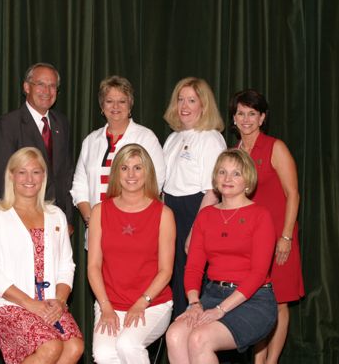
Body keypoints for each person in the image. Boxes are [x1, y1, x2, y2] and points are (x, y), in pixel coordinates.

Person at [166, 149, 277, 364]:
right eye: (222, 172)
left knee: (199, 339)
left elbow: (258, 273)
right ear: (215, 177)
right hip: (212, 295)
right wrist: (194, 303)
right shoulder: (206, 215)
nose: (228, 179)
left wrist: (220, 310)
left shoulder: (260, 215)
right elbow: (194, 268)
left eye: (236, 173)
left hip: (253, 300)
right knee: (175, 335)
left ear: (248, 180)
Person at [0, 147, 83, 364]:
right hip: (9, 305)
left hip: (51, 303)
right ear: (11, 176)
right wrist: (30, 303)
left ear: (44, 176)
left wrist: (60, 301)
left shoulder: (56, 216)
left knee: (74, 346)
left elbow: (66, 265)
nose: (29, 179)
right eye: (22, 172)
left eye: (36, 172)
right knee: (50, 346)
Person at [230, 89, 305, 364]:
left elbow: (293, 194)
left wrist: (286, 236)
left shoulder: (276, 147)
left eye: (252, 113)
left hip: (278, 238)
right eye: (241, 113)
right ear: (234, 118)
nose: (246, 119)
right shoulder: (233, 153)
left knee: (279, 301)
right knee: (255, 302)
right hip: (247, 242)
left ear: (262, 118)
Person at [87, 143, 175, 364]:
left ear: (148, 173)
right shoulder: (99, 211)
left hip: (152, 303)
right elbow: (93, 266)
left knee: (128, 345)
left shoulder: (164, 214)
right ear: (116, 173)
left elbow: (166, 271)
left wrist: (142, 302)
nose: (131, 174)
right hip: (110, 303)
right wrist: (106, 306)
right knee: (104, 354)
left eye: (138, 168)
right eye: (124, 168)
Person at [70, 76, 166, 247]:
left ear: (130, 105)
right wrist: (91, 220)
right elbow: (79, 186)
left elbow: (155, 182)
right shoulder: (91, 141)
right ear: (102, 106)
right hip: (97, 231)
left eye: (121, 101)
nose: (115, 107)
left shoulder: (146, 138)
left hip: (135, 228)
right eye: (109, 101)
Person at [162, 77, 227, 317]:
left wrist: (196, 231)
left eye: (192, 100)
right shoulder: (173, 138)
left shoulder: (210, 138)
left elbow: (213, 190)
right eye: (180, 100)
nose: (184, 106)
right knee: (176, 279)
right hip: (171, 212)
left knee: (194, 281)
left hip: (196, 211)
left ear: (204, 105)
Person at [0, 62, 74, 229]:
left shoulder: (61, 123)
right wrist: (16, 221)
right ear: (27, 87)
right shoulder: (8, 124)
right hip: (22, 220)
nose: (47, 91)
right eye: (40, 84)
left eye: (52, 86)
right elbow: (2, 178)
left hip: (57, 219)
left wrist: (68, 219)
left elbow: (67, 174)